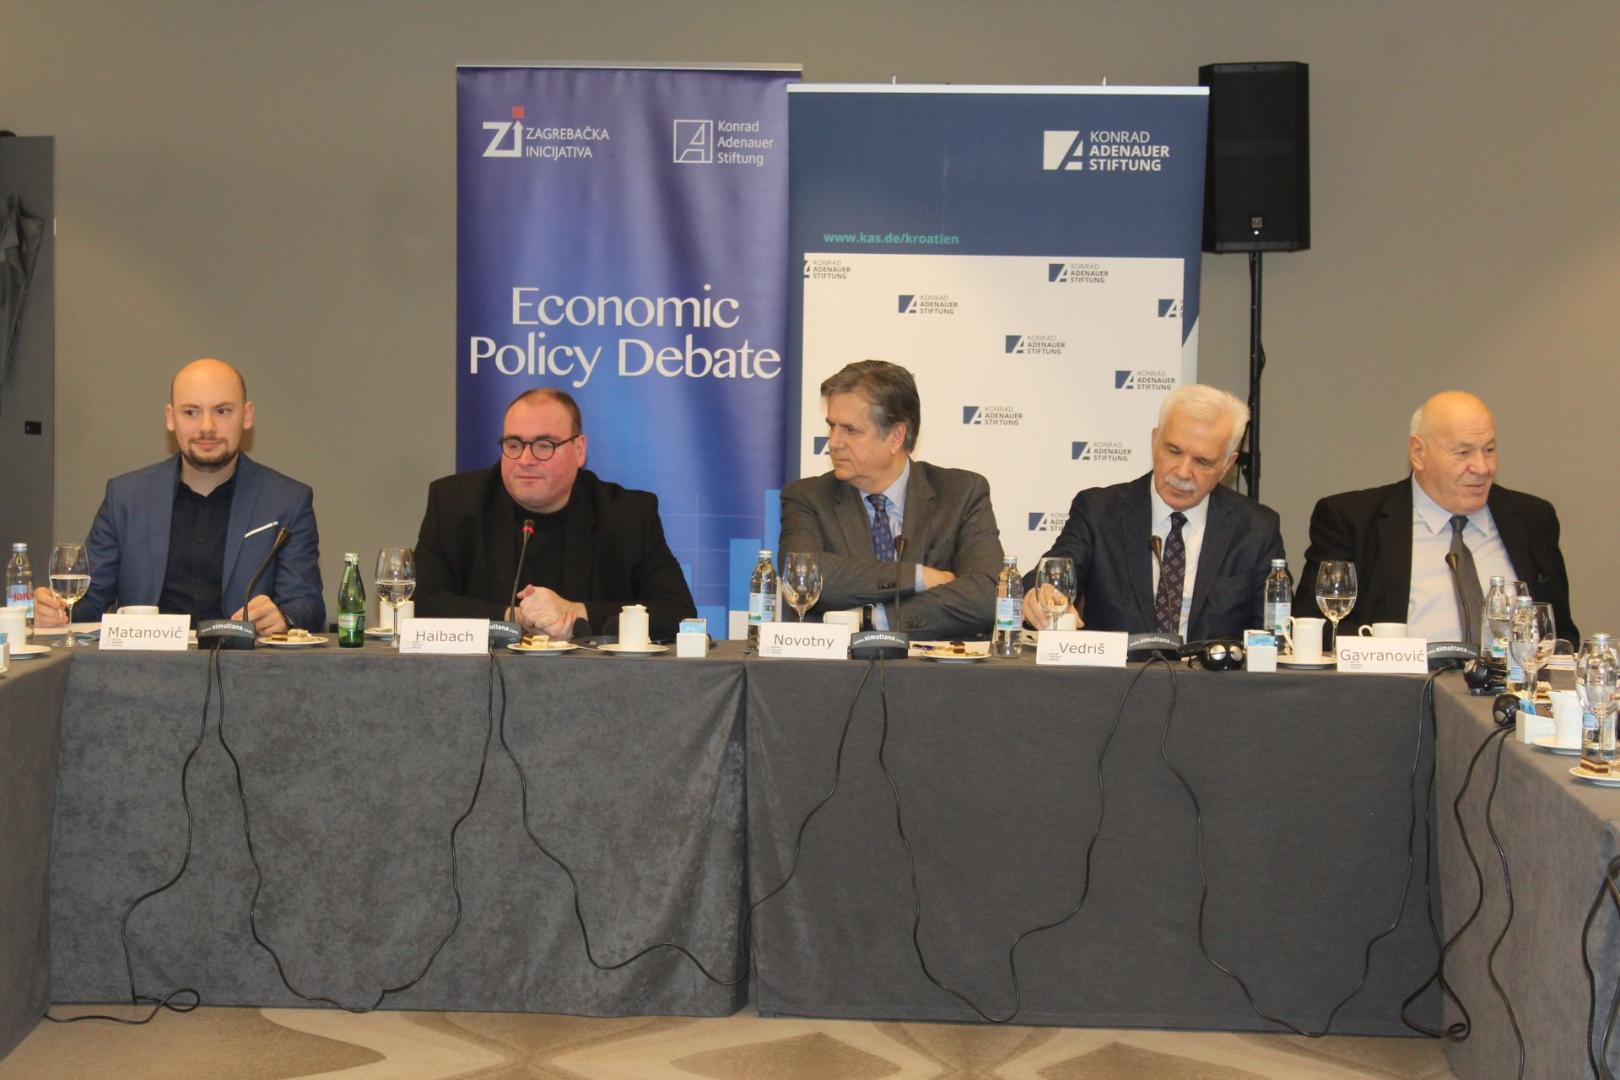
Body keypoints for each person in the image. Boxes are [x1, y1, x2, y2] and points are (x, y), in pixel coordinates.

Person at [33, 358, 323, 633]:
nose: (207, 427)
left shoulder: (287, 502)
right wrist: (58, 611)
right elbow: (90, 598)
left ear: (247, 416)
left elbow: (307, 605)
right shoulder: (126, 498)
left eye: (222, 411)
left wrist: (283, 617)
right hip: (143, 664)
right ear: (171, 418)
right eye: (191, 412)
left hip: (243, 664)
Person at [414, 387, 695, 640]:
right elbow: (419, 603)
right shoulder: (454, 504)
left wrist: (577, 612)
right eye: (513, 445)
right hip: (479, 677)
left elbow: (678, 614)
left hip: (595, 678)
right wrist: (515, 618)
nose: (525, 460)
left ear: (579, 450)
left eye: (544, 445)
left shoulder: (627, 516)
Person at [1294, 390, 1577, 642]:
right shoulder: (1353, 520)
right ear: (1418, 453)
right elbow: (1315, 629)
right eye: (1463, 452)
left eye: (1489, 450)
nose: (1482, 468)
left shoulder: (1532, 520)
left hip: (1508, 684)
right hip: (1402, 683)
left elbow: (1559, 635)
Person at [1021, 384, 1284, 641]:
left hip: (1209, 671)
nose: (1183, 472)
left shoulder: (1256, 528)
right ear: (1154, 440)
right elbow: (1051, 573)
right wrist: (1040, 593)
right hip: (1118, 671)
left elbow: (1273, 631)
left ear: (1227, 464)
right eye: (1174, 451)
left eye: (1202, 461)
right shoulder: (1099, 512)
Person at [779, 360, 1003, 639]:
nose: (833, 442)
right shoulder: (807, 497)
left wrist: (875, 620)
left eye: (850, 430)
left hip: (936, 665)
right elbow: (801, 577)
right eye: (831, 426)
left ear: (896, 436)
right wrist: (917, 577)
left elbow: (988, 595)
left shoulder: (961, 494)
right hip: (840, 666)